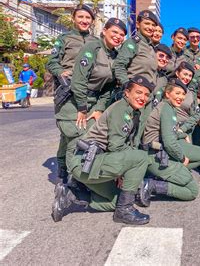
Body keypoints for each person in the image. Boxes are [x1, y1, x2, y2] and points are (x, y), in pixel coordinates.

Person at [52, 76, 153, 225]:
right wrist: (123, 169)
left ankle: (72, 196)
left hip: (94, 163)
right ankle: (124, 211)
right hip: (85, 162)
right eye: (138, 92)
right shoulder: (121, 109)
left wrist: (122, 166)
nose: (142, 97)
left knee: (118, 200)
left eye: (146, 95)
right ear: (127, 93)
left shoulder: (132, 111)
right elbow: (116, 146)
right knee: (141, 157)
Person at [55, 18, 127, 174]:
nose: (118, 36)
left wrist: (100, 107)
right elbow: (78, 80)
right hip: (73, 101)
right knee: (77, 139)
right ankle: (71, 181)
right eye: (114, 32)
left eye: (121, 34)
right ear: (104, 31)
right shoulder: (92, 47)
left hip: (93, 102)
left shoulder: (115, 56)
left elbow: (109, 86)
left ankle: (63, 172)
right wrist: (82, 107)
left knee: (73, 137)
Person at [46, 4, 98, 182]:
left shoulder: (95, 41)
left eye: (87, 18)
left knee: (73, 133)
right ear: (74, 19)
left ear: (92, 20)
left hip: (88, 92)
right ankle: (68, 172)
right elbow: (52, 62)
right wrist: (61, 72)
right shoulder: (64, 39)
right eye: (81, 17)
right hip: (67, 92)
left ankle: (64, 166)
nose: (84, 21)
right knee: (71, 131)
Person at [139, 79, 200, 204]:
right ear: (168, 94)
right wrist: (182, 157)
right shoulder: (167, 109)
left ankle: (160, 177)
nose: (181, 97)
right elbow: (169, 143)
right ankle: (152, 185)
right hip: (154, 157)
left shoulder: (167, 107)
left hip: (156, 153)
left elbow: (170, 134)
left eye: (183, 94)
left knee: (197, 158)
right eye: (177, 93)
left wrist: (182, 134)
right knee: (192, 191)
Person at [113, 10, 158, 86]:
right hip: (134, 93)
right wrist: (128, 86)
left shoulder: (150, 47)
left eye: (153, 25)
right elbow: (119, 66)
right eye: (147, 23)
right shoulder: (133, 43)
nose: (150, 27)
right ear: (137, 24)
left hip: (147, 93)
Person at [173, 62, 200, 140]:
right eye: (185, 74)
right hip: (167, 128)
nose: (187, 78)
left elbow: (196, 115)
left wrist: (183, 129)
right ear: (177, 73)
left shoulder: (191, 94)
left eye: (190, 76)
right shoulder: (166, 88)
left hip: (185, 131)